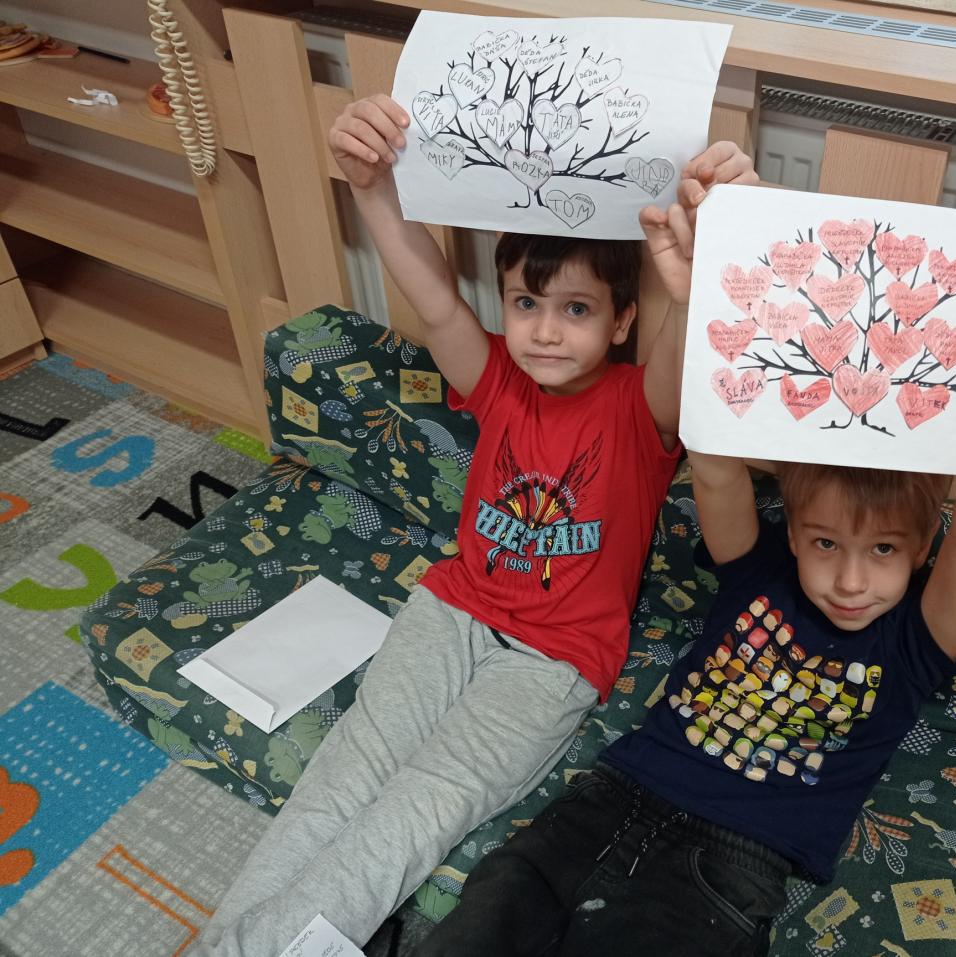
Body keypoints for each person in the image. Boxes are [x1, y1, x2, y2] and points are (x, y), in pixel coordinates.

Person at [192, 94, 759, 956]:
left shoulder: (638, 407)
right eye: (527, 303)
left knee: (419, 806)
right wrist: (372, 189)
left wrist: (702, 262)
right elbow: (434, 299)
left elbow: (681, 354)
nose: (546, 330)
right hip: (451, 610)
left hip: (554, 659)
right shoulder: (497, 378)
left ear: (622, 320)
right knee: (343, 777)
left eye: (577, 309)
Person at [414, 200, 956, 957]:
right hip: (612, 794)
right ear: (792, 531)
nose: (850, 579)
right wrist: (698, 292)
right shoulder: (756, 573)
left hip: (732, 862)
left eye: (884, 551)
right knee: (478, 924)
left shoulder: (915, 642)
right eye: (825, 542)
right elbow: (712, 461)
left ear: (923, 549)